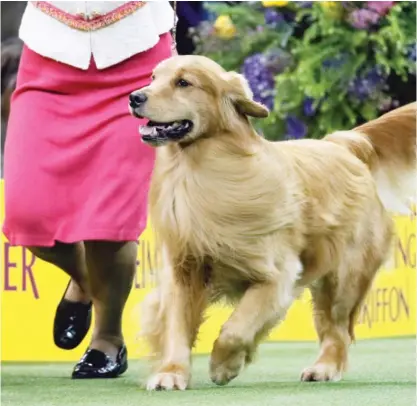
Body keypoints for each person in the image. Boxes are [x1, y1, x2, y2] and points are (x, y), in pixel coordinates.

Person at [3, 1, 175, 379]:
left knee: (109, 225)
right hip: (48, 59)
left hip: (137, 58)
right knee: (26, 214)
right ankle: (84, 282)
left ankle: (107, 339)